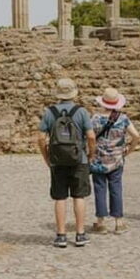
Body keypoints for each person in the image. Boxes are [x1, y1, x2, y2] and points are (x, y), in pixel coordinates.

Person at [37, 78, 97, 248]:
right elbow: (91, 136)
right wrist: (91, 155)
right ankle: (80, 234)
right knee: (79, 196)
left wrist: (47, 157)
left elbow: (41, 138)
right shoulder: (81, 112)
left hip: (57, 160)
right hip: (79, 159)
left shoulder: (50, 112)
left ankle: (61, 235)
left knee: (60, 197)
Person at [89, 87, 140, 235]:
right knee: (116, 188)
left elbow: (90, 138)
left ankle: (101, 222)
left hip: (98, 159)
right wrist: (128, 151)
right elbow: (136, 136)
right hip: (117, 159)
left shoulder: (95, 118)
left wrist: (90, 154)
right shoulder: (123, 118)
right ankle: (119, 222)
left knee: (100, 189)